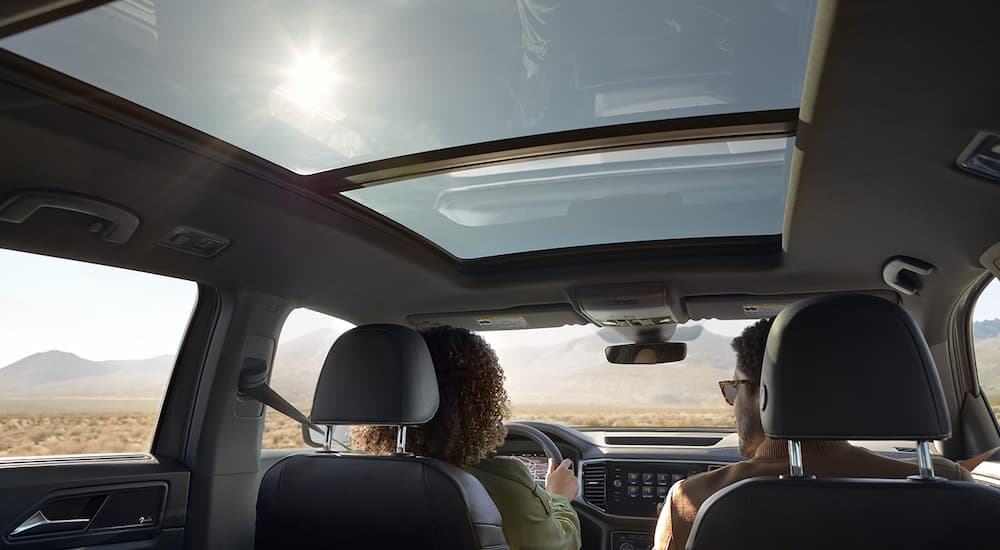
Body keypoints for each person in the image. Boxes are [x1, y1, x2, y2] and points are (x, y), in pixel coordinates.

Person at [653, 318, 974, 550]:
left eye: (735, 388)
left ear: (763, 395)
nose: (732, 404)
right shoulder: (949, 485)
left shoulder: (692, 500)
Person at [351, 325, 581, 550]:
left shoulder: (348, 479)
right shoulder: (506, 485)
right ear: (480, 401)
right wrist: (558, 497)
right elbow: (561, 544)